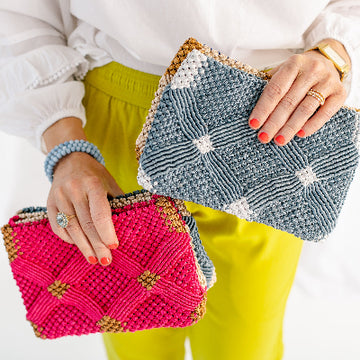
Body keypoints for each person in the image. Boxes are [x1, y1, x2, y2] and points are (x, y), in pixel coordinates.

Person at [0, 1, 359, 359]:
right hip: (125, 113)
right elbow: (23, 12)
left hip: (277, 111)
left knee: (247, 345)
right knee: (135, 343)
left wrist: (335, 51)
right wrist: (66, 149)